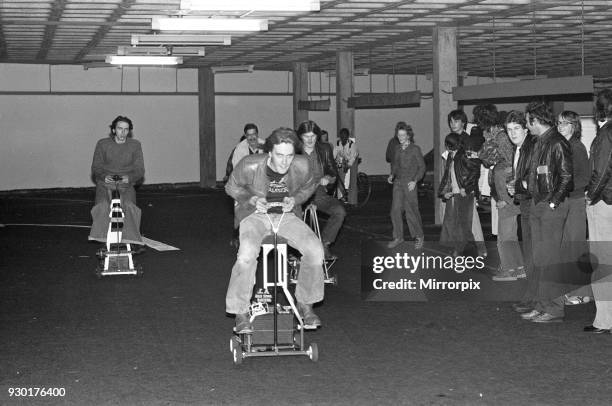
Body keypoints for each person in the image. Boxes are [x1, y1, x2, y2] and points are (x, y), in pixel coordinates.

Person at [225, 127, 324, 334]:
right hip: (255, 215)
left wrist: (295, 200)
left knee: (315, 251)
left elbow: (309, 186)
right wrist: (251, 199)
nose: (285, 161)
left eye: (289, 156)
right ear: (269, 152)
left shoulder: (302, 164)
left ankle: (305, 304)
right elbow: (231, 187)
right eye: (279, 155)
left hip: (287, 216)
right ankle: (240, 311)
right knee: (246, 255)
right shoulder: (250, 165)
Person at [519, 100, 573, 324]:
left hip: (550, 206)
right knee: (540, 259)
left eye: (527, 121)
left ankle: (554, 310)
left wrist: (553, 203)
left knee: (550, 260)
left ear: (535, 120)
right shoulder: (540, 141)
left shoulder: (556, 143)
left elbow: (567, 177)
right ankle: (542, 305)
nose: (526, 125)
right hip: (538, 203)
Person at [88, 115, 145, 250]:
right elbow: (96, 167)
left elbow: (140, 170)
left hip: (126, 183)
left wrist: (129, 178)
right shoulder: (102, 144)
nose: (123, 133)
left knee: (130, 206)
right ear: (113, 130)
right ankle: (102, 239)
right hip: (106, 182)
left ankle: (131, 239)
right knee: (102, 206)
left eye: (126, 130)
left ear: (129, 131)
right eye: (120, 129)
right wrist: (103, 176)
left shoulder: (135, 145)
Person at [297, 120, 346, 260]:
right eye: (306, 136)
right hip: (299, 191)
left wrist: (328, 177)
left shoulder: (324, 149)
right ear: (301, 137)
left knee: (339, 211)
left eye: (313, 136)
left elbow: (333, 172)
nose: (310, 140)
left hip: (318, 191)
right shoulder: (294, 151)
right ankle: (294, 249)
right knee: (293, 216)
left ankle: (324, 243)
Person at [584, 89, 612, 334]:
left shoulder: (605, 135)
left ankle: (604, 320)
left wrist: (590, 195)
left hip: (604, 202)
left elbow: (601, 171)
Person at [556, 111, 591, 305]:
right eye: (559, 123)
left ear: (574, 126)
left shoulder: (576, 147)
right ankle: (576, 291)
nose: (560, 126)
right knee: (568, 246)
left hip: (574, 201)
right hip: (566, 201)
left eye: (565, 123)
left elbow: (584, 177)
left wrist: (562, 187)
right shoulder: (564, 146)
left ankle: (582, 293)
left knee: (575, 247)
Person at [492, 111, 528, 281]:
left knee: (505, 236)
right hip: (512, 197)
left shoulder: (501, 138)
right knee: (510, 234)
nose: (512, 132)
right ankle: (519, 267)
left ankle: (508, 269)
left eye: (515, 128)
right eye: (509, 128)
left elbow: (506, 167)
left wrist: (502, 199)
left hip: (508, 198)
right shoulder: (510, 143)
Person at [448, 109, 487, 257]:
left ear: (463, 122)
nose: (453, 124)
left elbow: (474, 166)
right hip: (456, 184)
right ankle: (462, 246)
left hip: (465, 186)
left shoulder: (468, 141)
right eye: (451, 121)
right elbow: (450, 166)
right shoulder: (451, 139)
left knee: (472, 218)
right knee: (461, 218)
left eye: (456, 121)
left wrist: (468, 187)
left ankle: (479, 248)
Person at [438, 132, 481, 256]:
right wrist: (445, 192)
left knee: (463, 224)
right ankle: (463, 248)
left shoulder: (463, 155)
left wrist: (466, 188)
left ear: (449, 146)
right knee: (458, 223)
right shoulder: (452, 156)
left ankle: (468, 249)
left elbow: (475, 171)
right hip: (456, 193)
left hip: (464, 194)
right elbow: (448, 176)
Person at [224, 124, 265, 247]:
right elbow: (237, 171)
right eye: (249, 135)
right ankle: (236, 235)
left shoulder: (266, 146)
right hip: (243, 183)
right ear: (245, 136)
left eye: (254, 134)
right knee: (240, 210)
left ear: (257, 134)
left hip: (261, 183)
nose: (252, 137)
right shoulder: (239, 150)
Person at [387, 122, 425, 250]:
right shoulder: (397, 148)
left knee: (411, 211)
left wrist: (415, 181)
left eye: (403, 135)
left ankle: (419, 236)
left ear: (408, 135)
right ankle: (398, 237)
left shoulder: (415, 149)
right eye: (399, 135)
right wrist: (392, 175)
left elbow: (422, 167)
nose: (401, 137)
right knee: (395, 210)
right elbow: (395, 164)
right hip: (398, 183)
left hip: (410, 183)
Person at [333, 128, 359, 202]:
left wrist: (347, 166)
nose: (343, 138)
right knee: (339, 178)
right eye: (341, 136)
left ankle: (353, 201)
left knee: (353, 180)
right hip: (345, 160)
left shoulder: (352, 145)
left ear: (347, 137)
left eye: (344, 136)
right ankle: (345, 195)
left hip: (353, 160)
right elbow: (334, 154)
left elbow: (353, 158)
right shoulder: (338, 143)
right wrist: (332, 163)